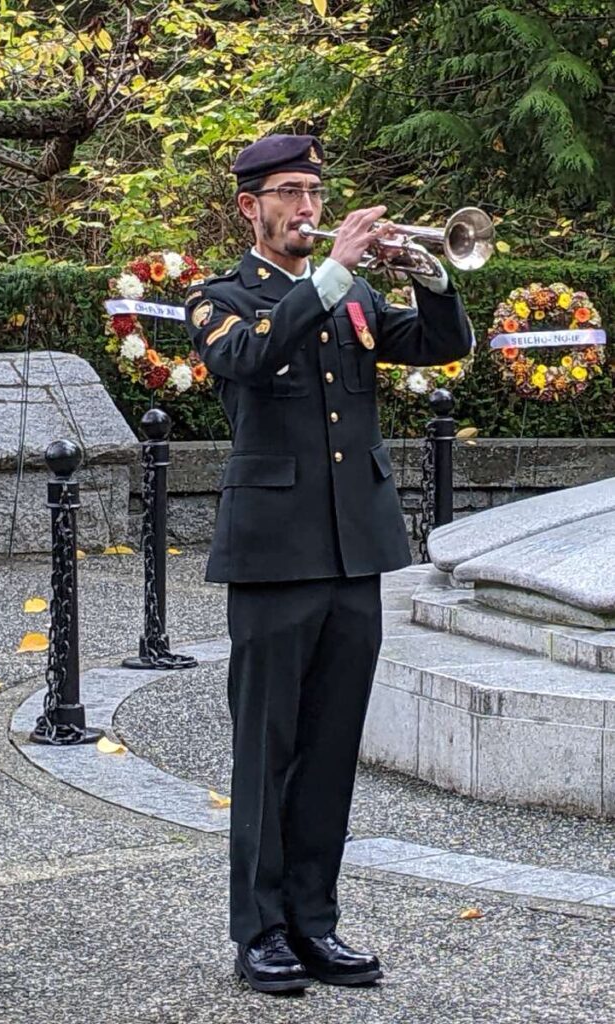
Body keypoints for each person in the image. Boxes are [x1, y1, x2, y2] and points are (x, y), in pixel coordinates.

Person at [185, 133, 472, 995]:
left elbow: (435, 345)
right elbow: (247, 356)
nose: (306, 206)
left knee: (330, 749)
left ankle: (315, 924)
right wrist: (333, 272)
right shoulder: (218, 297)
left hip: (355, 552)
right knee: (265, 752)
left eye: (313, 190)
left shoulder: (350, 296)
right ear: (250, 207)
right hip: (274, 557)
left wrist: (430, 275)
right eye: (287, 192)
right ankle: (259, 933)